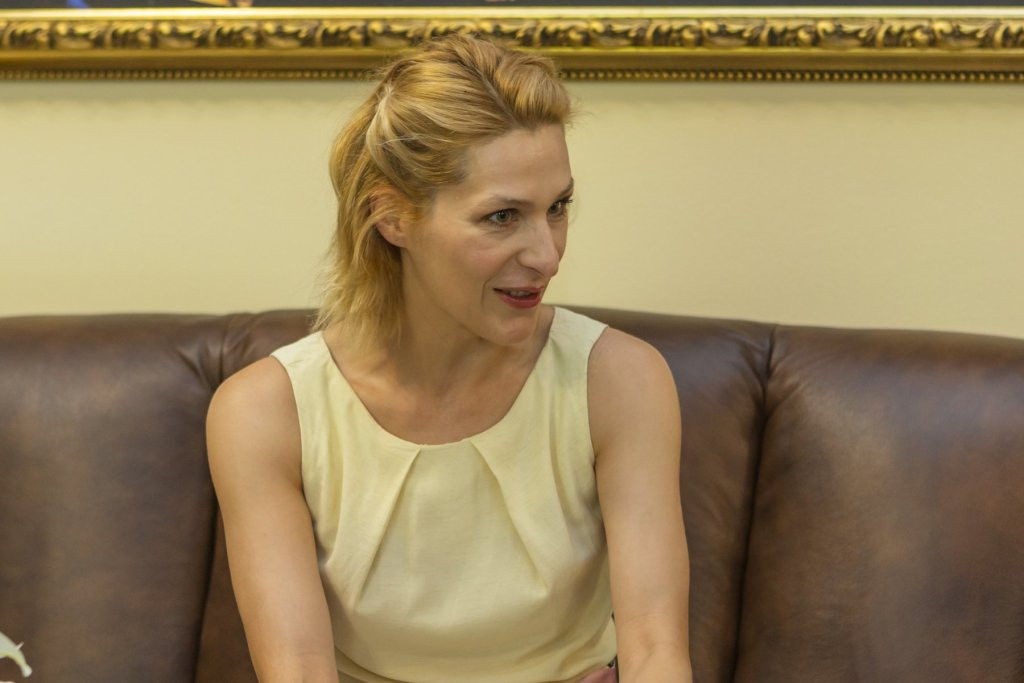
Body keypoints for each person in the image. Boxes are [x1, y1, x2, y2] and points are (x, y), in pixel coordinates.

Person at [207, 34, 691, 683]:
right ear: (392, 216)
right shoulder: (265, 413)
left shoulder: (621, 380)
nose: (548, 255)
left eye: (558, 208)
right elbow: (296, 668)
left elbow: (657, 652)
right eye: (502, 217)